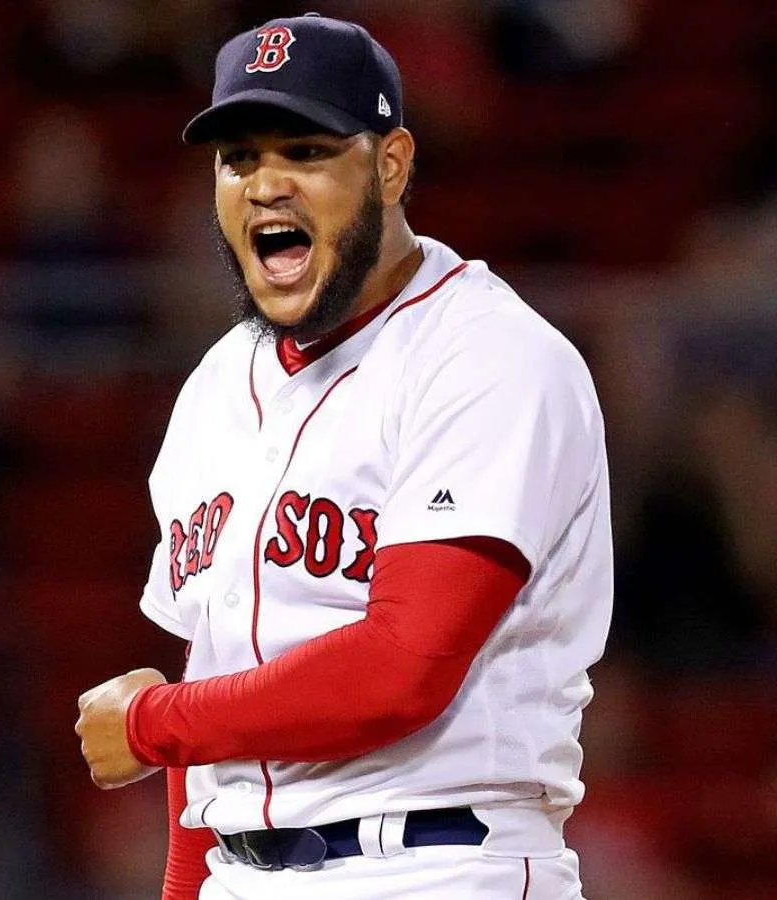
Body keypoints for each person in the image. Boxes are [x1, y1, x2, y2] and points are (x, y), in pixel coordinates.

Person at [75, 13, 611, 900]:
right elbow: (213, 687)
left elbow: (405, 667)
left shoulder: (487, 354)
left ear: (391, 165)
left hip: (438, 864)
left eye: (306, 151)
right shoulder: (215, 387)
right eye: (238, 158)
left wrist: (155, 724)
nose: (266, 184)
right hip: (241, 871)